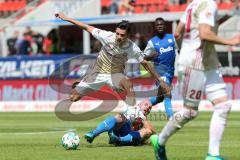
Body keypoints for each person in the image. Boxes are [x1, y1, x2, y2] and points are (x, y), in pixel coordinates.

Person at [150, 0, 240, 160]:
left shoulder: (193, 4)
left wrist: (185, 50)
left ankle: (213, 155)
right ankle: (160, 141)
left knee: (223, 106)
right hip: (195, 64)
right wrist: (231, 41)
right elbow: (204, 33)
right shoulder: (208, 4)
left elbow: (177, 33)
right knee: (189, 111)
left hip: (207, 62)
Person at [55, 13, 170, 117]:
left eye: (122, 35)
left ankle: (134, 114)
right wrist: (66, 18)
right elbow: (85, 27)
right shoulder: (106, 36)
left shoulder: (132, 47)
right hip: (98, 73)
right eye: (117, 34)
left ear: (128, 36)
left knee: (128, 83)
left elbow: (145, 64)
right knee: (73, 98)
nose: (119, 37)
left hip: (115, 75)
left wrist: (160, 80)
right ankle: (80, 84)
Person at [143, 17, 177, 119]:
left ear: (165, 26)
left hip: (170, 73)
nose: (160, 26)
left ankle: (139, 108)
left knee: (159, 98)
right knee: (167, 94)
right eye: (157, 25)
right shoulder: (152, 42)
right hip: (160, 74)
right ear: (155, 27)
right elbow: (143, 57)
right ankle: (172, 118)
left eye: (161, 24)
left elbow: (180, 50)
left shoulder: (172, 38)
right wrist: (150, 57)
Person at [84, 99, 155, 145]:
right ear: (139, 104)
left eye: (150, 108)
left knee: (147, 131)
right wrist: (156, 136)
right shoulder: (137, 110)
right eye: (146, 105)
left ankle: (115, 139)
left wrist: (145, 139)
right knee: (120, 117)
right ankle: (95, 133)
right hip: (122, 130)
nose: (148, 108)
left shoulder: (142, 117)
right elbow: (149, 128)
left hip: (128, 137)